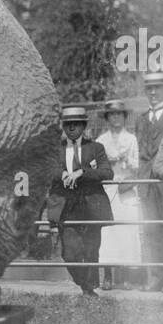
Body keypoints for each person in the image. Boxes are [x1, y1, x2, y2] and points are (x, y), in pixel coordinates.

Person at [47, 103, 113, 297]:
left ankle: (89, 289)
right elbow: (46, 171)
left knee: (92, 250)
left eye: (76, 123)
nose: (72, 128)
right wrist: (63, 175)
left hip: (92, 205)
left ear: (84, 126)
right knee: (70, 254)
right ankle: (84, 283)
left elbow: (108, 172)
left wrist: (82, 173)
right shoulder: (55, 150)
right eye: (68, 124)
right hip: (67, 207)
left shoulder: (96, 148)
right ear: (63, 127)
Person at [96, 99, 141, 290]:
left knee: (126, 230)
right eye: (112, 114)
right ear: (107, 118)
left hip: (125, 189)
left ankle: (127, 277)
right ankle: (108, 276)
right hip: (107, 189)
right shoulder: (101, 141)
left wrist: (126, 167)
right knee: (108, 232)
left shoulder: (131, 139)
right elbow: (95, 166)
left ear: (124, 117)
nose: (116, 118)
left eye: (119, 114)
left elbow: (136, 166)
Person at [134, 71, 163, 292]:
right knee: (152, 231)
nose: (153, 92)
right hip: (147, 184)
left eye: (157, 88)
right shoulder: (140, 119)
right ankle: (156, 280)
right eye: (149, 89)